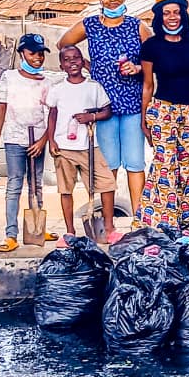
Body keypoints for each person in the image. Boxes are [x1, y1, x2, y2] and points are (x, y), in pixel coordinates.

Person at [57, 0, 152, 218]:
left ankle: (138, 219)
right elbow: (63, 44)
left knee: (135, 163)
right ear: (100, 0)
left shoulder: (137, 26)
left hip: (132, 104)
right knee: (108, 164)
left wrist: (137, 68)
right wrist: (88, 66)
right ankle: (108, 221)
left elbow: (155, 58)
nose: (112, 0)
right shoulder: (89, 25)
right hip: (103, 106)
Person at [138, 0, 189, 234]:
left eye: (176, 12)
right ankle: (166, 223)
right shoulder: (151, 46)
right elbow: (148, 85)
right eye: (167, 13)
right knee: (165, 164)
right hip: (163, 111)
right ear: (159, 16)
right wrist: (144, 120)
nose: (172, 17)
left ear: (183, 15)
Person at [45, 45, 121, 245]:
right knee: (66, 189)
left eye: (76, 58)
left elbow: (107, 111)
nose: (72, 62)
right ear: (61, 66)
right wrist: (52, 140)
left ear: (83, 61)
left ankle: (109, 228)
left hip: (89, 145)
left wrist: (91, 117)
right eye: (67, 60)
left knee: (107, 184)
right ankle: (70, 232)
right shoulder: (58, 89)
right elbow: (52, 115)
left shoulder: (93, 87)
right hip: (64, 148)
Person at [0, 34, 58, 252]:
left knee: (36, 184)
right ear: (21, 54)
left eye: (41, 54)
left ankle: (37, 227)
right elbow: (1, 109)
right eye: (32, 53)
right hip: (14, 139)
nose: (37, 58)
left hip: (37, 139)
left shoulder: (47, 82)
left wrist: (43, 140)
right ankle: (11, 234)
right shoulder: (9, 77)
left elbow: (52, 115)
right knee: (14, 185)